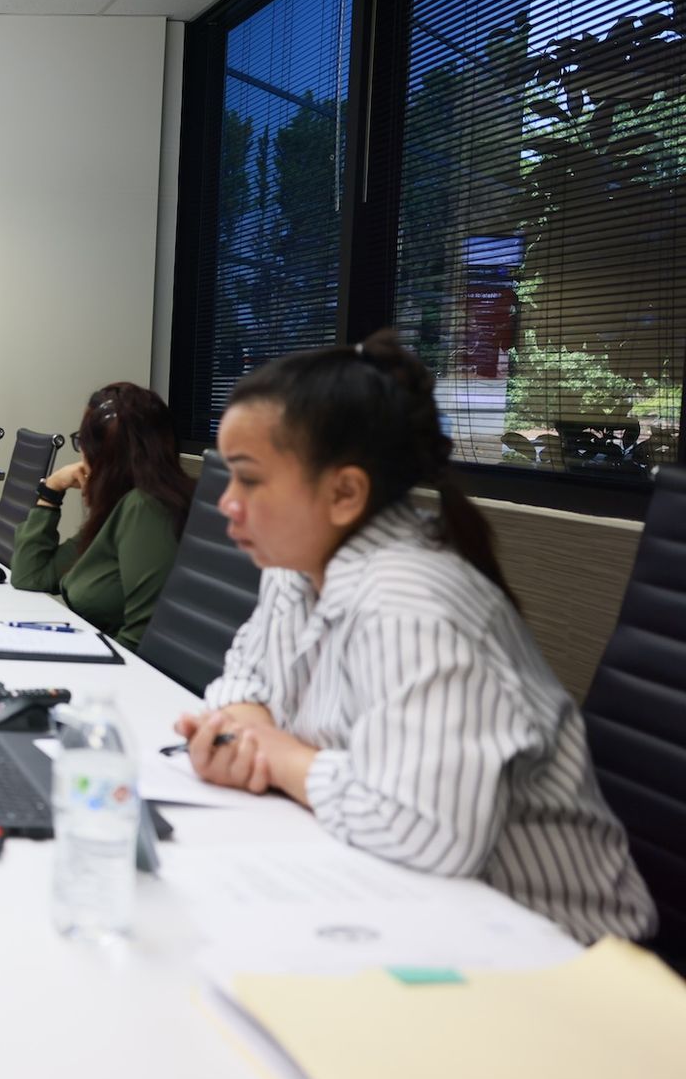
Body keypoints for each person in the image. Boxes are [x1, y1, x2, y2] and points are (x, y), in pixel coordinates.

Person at [178, 330, 654, 944]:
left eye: (248, 479)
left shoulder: (410, 600)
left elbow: (425, 827)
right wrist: (238, 726)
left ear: (345, 492)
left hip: (556, 953)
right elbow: (246, 669)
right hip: (403, 901)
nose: (227, 503)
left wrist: (276, 754)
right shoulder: (297, 566)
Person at [9, 383, 191, 650]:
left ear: (100, 455)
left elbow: (144, 635)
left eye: (81, 442)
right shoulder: (119, 507)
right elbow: (30, 576)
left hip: (123, 677)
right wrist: (52, 489)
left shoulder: (145, 509)